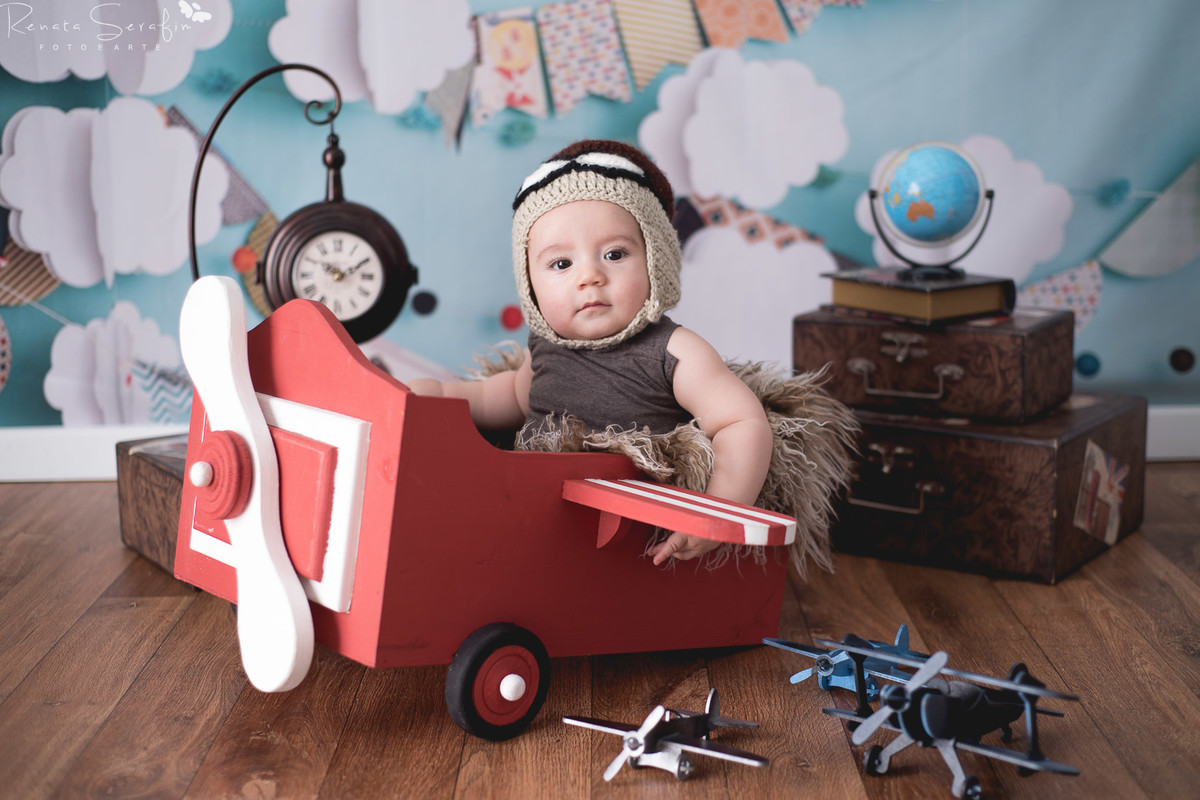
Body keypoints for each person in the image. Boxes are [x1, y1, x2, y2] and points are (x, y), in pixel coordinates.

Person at [410, 139, 856, 571]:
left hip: (628, 533)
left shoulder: (674, 351)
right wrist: (439, 392)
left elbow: (741, 421)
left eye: (614, 253)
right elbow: (507, 396)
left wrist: (717, 511)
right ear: (530, 284)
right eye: (561, 264)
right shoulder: (545, 346)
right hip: (538, 516)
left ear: (656, 262)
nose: (590, 276)